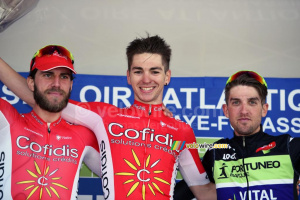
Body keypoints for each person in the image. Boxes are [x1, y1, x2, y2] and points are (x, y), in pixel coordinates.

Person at [0, 35, 216, 200]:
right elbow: (42, 98)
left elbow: (203, 191)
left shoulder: (182, 131)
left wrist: (246, 184)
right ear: (128, 76)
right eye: (138, 71)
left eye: (155, 71)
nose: (146, 79)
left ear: (167, 77)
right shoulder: (105, 117)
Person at [174, 70, 300, 200]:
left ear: (264, 109)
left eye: (252, 102)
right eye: (236, 102)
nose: (244, 111)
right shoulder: (216, 152)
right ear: (226, 110)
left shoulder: (289, 146)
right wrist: (160, 121)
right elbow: (177, 194)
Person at [0, 45, 101, 200]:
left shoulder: (84, 136)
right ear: (31, 83)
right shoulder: (8, 120)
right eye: (48, 75)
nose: (57, 83)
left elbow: (120, 177)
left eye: (64, 77)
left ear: (71, 85)